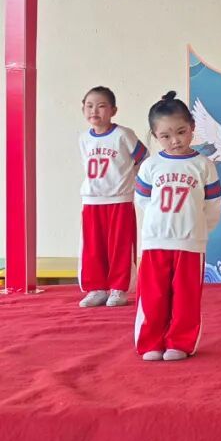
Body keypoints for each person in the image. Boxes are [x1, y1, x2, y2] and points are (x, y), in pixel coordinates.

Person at [134, 92, 221, 361]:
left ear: (192, 128)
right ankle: (151, 342)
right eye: (166, 136)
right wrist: (160, 225)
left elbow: (212, 205)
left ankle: (180, 342)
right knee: (153, 294)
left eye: (181, 132)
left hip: (190, 243)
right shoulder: (150, 166)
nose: (175, 141)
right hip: (155, 241)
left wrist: (197, 230)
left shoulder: (203, 166)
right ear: (155, 135)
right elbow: (143, 200)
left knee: (186, 296)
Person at [77, 86, 148, 308]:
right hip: (92, 200)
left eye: (101, 106)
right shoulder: (83, 139)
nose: (94, 111)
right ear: (83, 109)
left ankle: (119, 288)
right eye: (89, 106)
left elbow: (144, 159)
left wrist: (131, 181)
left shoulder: (123, 135)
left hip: (119, 199)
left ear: (113, 110)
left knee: (120, 246)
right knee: (93, 247)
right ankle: (96, 288)